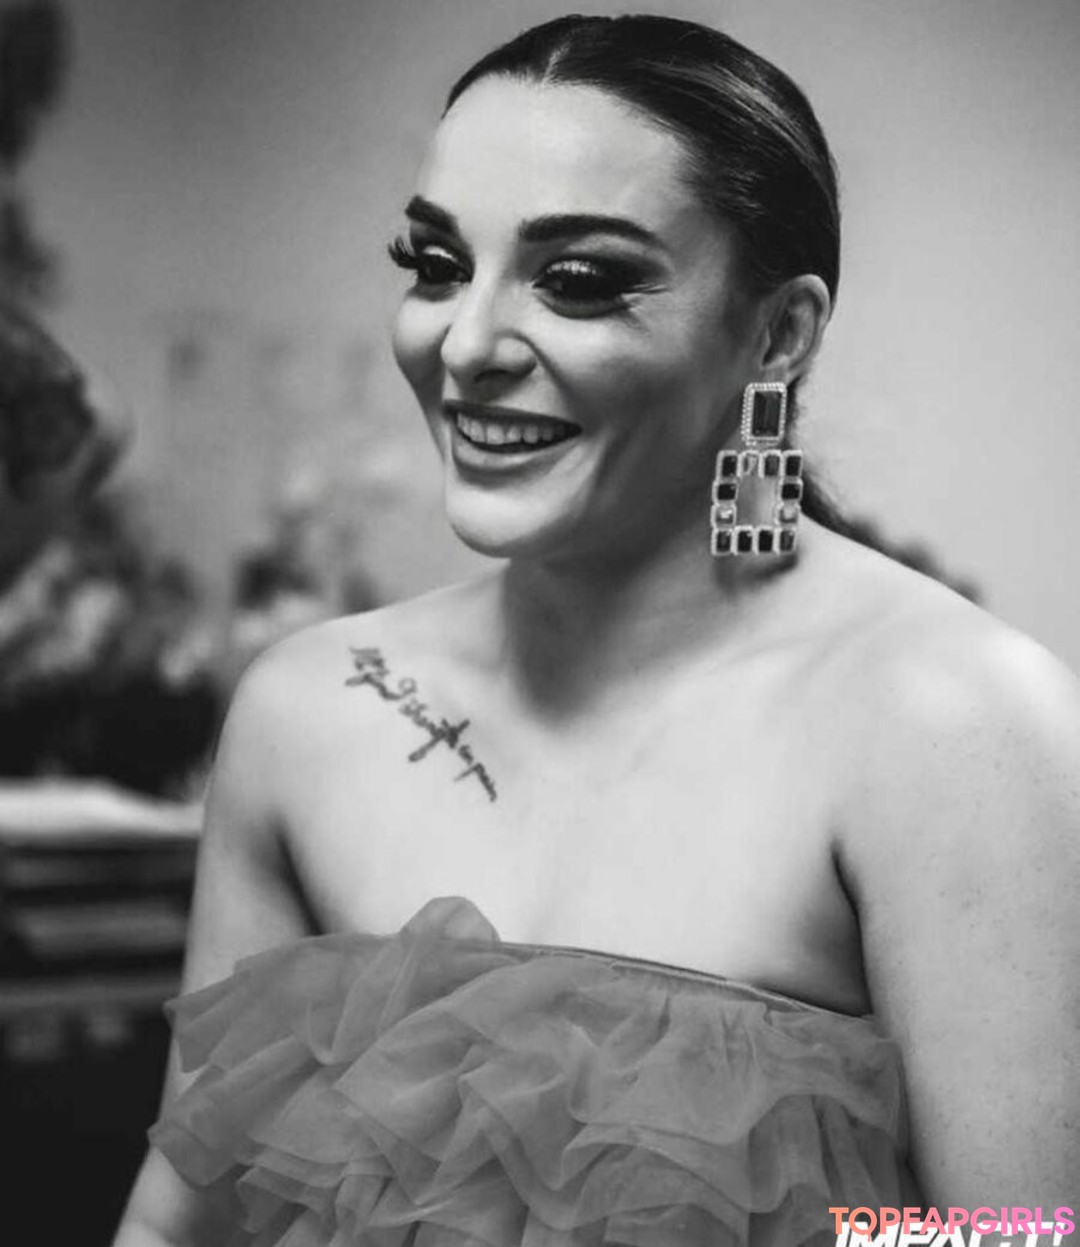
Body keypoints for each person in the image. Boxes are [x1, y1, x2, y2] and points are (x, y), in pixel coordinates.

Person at [113, 14, 1078, 1246]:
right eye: (436, 265)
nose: (467, 344)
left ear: (777, 335)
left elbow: (1023, 1234)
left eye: (576, 281)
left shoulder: (955, 726)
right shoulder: (310, 708)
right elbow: (180, 1220)